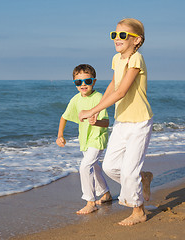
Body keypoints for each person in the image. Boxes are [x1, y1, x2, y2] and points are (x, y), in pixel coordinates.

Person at [78, 18, 154, 225]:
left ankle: (138, 212)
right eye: (114, 34)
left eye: (123, 35)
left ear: (136, 40)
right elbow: (113, 84)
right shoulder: (116, 59)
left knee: (129, 171)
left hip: (139, 122)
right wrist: (98, 112)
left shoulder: (136, 59)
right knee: (111, 167)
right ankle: (143, 178)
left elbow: (122, 91)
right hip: (122, 122)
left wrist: (91, 109)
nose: (117, 38)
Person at [56, 64, 112, 214]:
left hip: (98, 139)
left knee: (85, 167)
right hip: (85, 141)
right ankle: (106, 193)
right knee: (95, 167)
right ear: (74, 83)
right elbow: (64, 117)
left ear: (94, 81)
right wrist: (60, 135)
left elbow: (106, 123)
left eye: (87, 81)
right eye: (78, 82)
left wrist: (96, 122)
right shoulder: (75, 99)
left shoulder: (100, 98)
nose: (83, 85)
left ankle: (90, 202)